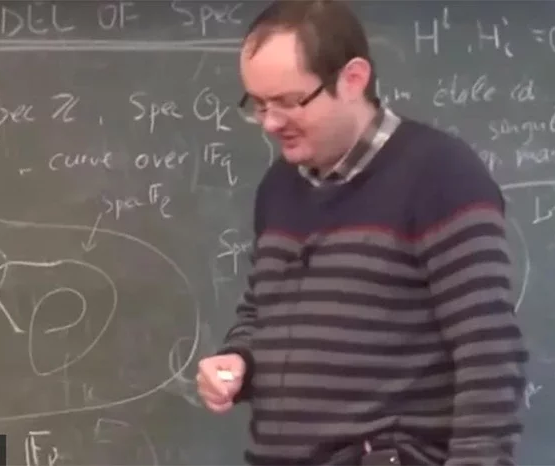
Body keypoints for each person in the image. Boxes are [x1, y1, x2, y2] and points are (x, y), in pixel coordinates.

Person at [195, 1, 529, 465]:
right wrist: (240, 359)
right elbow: (262, 311)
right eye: (259, 104)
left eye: (288, 102)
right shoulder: (278, 187)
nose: (270, 122)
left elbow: (489, 351)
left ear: (352, 79)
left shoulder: (439, 174)